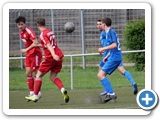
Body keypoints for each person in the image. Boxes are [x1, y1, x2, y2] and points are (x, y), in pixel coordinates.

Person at [25, 18, 69, 103]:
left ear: (37, 25)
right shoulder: (50, 31)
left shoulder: (42, 34)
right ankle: (62, 89)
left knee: (38, 76)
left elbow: (48, 45)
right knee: (53, 77)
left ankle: (36, 95)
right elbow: (47, 44)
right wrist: (36, 45)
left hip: (51, 57)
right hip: (59, 55)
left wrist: (53, 55)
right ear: (44, 24)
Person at [96, 20, 138, 96]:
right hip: (112, 55)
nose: (99, 26)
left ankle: (109, 91)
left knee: (100, 73)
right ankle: (133, 82)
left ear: (104, 24)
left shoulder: (106, 33)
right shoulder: (108, 32)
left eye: (100, 24)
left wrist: (104, 50)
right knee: (122, 71)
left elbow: (112, 45)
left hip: (112, 55)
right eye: (97, 24)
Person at [15, 16, 42, 100]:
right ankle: (31, 92)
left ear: (25, 23)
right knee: (28, 73)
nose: (20, 26)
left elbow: (35, 43)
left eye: (21, 24)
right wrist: (27, 51)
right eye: (18, 25)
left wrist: (26, 49)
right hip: (29, 54)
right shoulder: (21, 32)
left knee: (35, 74)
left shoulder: (29, 31)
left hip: (35, 54)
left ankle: (38, 93)